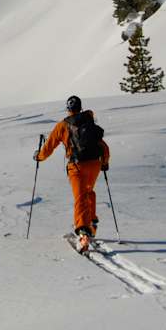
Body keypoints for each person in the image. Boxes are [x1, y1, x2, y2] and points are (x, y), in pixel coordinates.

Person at [35, 95, 110, 252]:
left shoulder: (62, 125)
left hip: (76, 166)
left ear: (68, 109)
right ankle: (92, 223)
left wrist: (38, 156)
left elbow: (48, 147)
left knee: (80, 197)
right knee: (88, 191)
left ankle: (83, 232)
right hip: (94, 163)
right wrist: (104, 162)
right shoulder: (89, 122)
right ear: (80, 108)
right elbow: (102, 145)